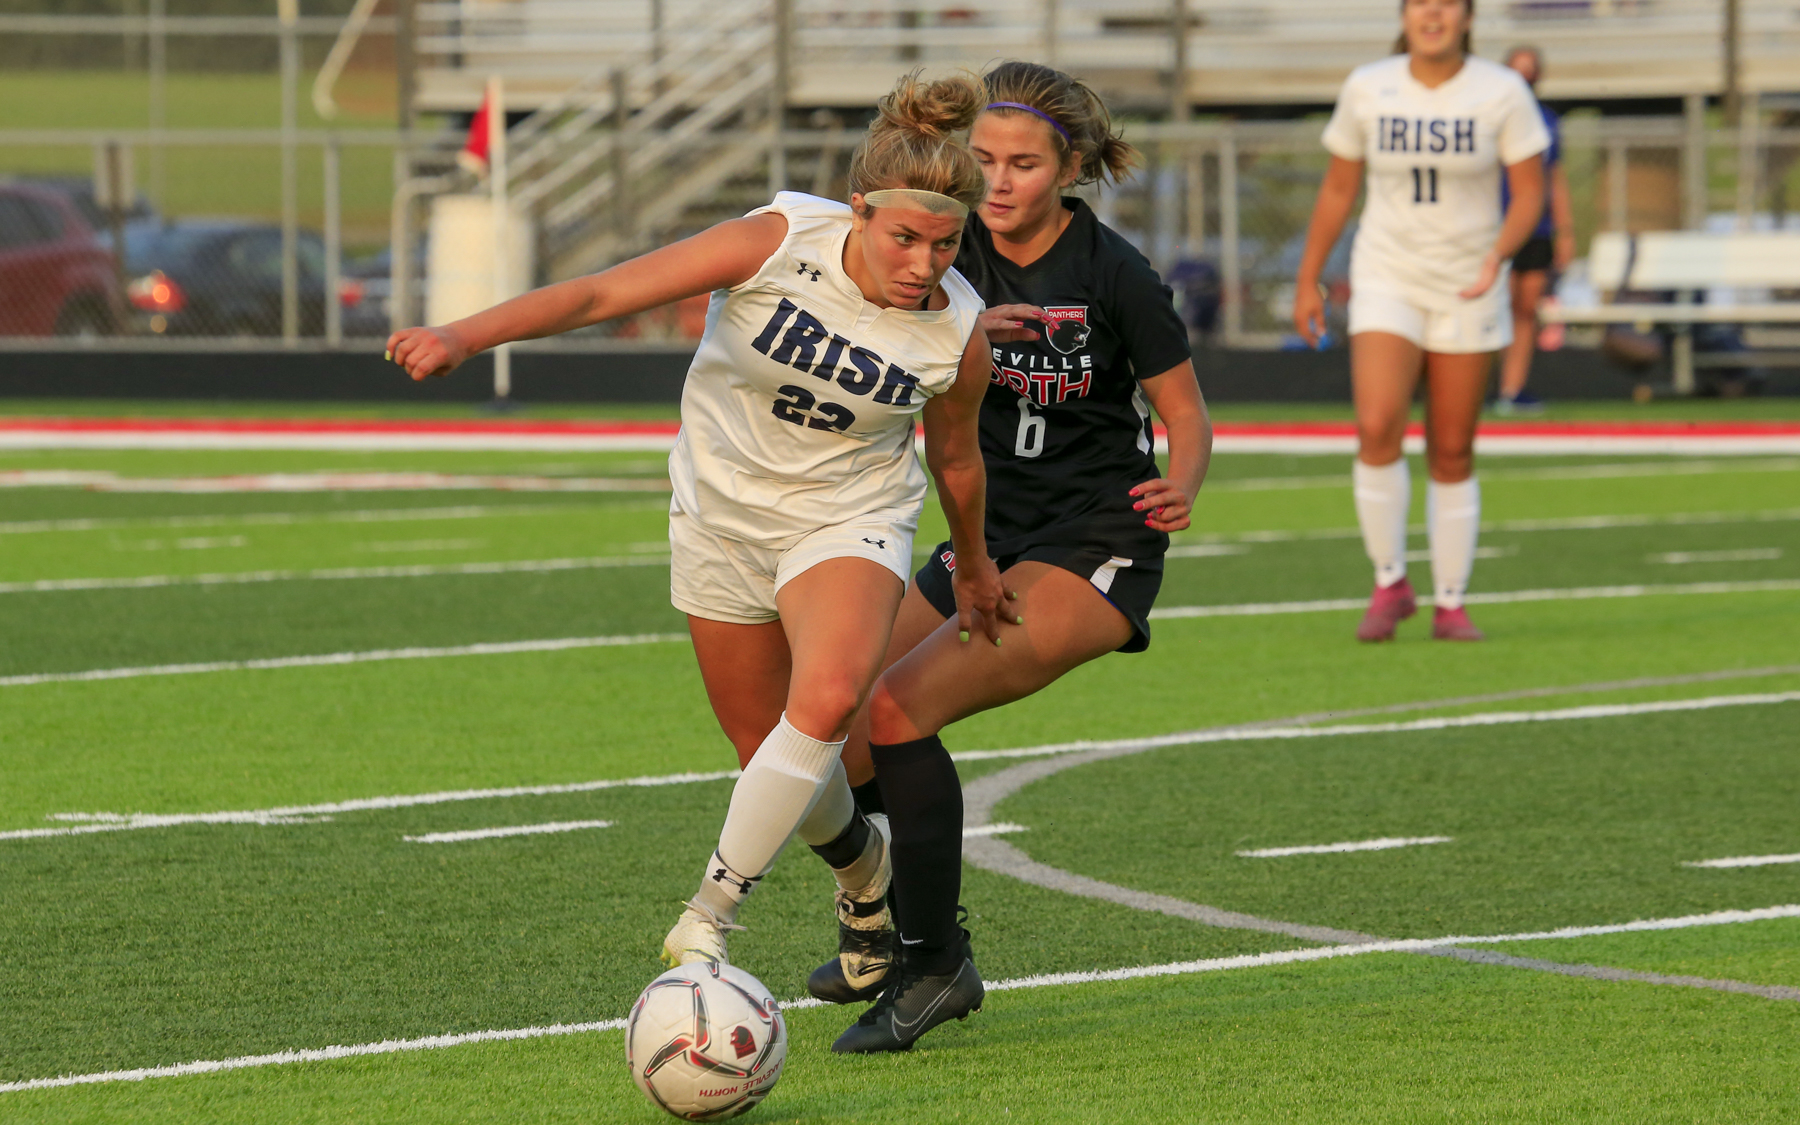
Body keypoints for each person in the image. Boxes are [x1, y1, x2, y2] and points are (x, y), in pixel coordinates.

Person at [385, 73, 1017, 973]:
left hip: (849, 517)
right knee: (768, 747)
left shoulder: (957, 333)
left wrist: (978, 564)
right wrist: (464, 335)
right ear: (859, 211)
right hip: (719, 515)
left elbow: (955, 459)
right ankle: (866, 877)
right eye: (905, 237)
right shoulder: (778, 240)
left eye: (946, 243)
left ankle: (709, 913)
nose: (923, 263)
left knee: (829, 702)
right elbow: (603, 295)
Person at [811, 60, 1211, 1054]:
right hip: (987, 542)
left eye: (1023, 163)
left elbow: (1186, 412)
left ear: (1068, 167)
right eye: (982, 157)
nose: (996, 178)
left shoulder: (1113, 270)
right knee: (837, 712)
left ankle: (933, 961)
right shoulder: (941, 254)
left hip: (1095, 543)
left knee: (902, 711)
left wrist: (1185, 482)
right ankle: (876, 921)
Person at [1293, 0, 1547, 643]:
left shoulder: (1503, 90)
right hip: (1388, 275)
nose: (1432, 14)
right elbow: (1339, 190)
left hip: (1470, 282)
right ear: (1405, 15)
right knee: (1378, 424)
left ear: (1467, 16)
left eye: (1447, 4)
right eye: (1419, 4)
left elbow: (1531, 194)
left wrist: (1499, 256)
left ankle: (1452, 601)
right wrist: (1309, 277)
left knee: (1453, 445)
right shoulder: (1368, 86)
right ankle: (1389, 583)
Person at [1495, 45, 1575, 415]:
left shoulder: (1546, 121)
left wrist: (1565, 230)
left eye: (1530, 72)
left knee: (1526, 308)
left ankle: (1512, 388)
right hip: (1495, 224)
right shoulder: (1489, 116)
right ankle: (1485, 386)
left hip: (1537, 228)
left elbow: (1554, 178)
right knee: (1495, 307)